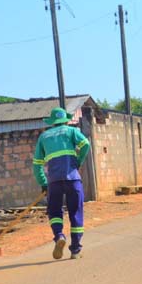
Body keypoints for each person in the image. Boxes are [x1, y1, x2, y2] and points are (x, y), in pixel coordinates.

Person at [33, 107, 91, 260]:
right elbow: (86, 144)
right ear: (65, 120)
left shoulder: (43, 137)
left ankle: (59, 235)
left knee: (54, 212)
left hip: (54, 182)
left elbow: (37, 164)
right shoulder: (71, 131)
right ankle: (75, 250)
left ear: (52, 122)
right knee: (76, 213)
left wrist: (43, 183)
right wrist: (78, 161)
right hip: (73, 179)